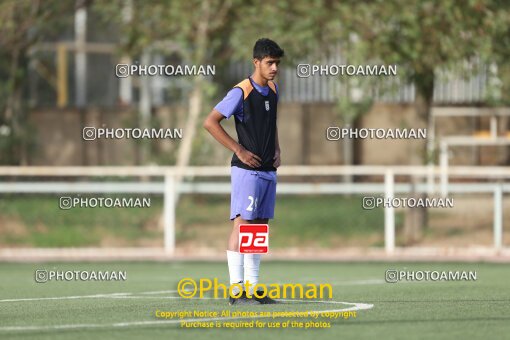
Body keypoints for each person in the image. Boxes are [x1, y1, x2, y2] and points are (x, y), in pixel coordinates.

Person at [203, 38, 284, 305]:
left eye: (277, 63)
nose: (274, 68)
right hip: (246, 172)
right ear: (256, 62)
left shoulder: (273, 89)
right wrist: (238, 150)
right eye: (269, 63)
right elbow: (210, 122)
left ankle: (254, 288)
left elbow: (270, 124)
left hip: (267, 170)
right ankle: (236, 289)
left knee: (260, 227)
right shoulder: (241, 91)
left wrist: (277, 148)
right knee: (242, 224)